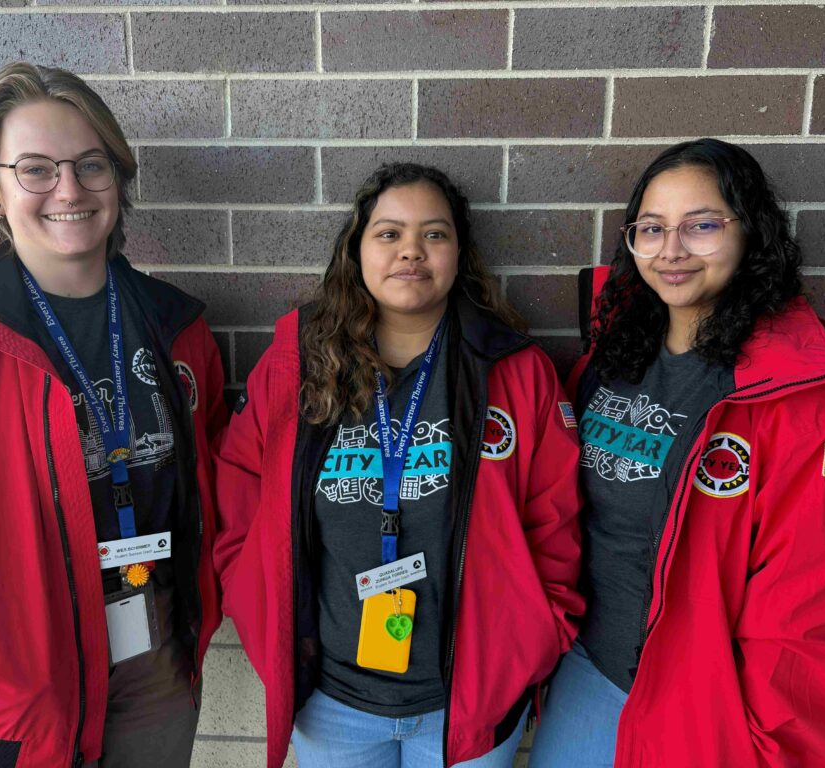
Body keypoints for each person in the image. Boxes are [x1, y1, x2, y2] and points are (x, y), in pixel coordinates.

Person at [0, 62, 226, 768]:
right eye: (35, 169)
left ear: (117, 181)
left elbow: (213, 486)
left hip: (152, 662)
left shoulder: (176, 327)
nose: (69, 190)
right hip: (6, 680)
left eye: (90, 165)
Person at [529, 138, 825, 767]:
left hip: (706, 710)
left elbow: (822, 615)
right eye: (652, 228)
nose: (671, 249)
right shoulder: (611, 360)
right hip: (589, 672)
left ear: (751, 232)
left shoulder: (816, 409)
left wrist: (752, 746)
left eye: (701, 225)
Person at [213, 163, 584, 768]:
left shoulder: (514, 371)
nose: (411, 250)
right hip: (331, 704)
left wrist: (534, 638)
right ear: (355, 250)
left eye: (434, 234)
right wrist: (256, 608)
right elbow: (239, 494)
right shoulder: (295, 366)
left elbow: (556, 522)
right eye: (389, 233)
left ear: (459, 253)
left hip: (465, 703)